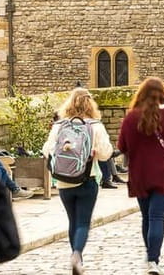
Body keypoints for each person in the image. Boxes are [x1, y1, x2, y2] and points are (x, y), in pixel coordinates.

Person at [118, 77, 164, 275]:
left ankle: (150, 255)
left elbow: (122, 146)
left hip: (140, 174)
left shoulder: (132, 117)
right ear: (163, 92)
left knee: (146, 218)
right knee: (157, 217)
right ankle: (153, 259)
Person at [43, 87, 113, 275]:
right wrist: (95, 152)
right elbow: (106, 154)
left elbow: (47, 150)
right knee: (83, 222)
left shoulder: (59, 125)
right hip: (87, 178)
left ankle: (77, 258)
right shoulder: (95, 125)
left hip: (64, 181)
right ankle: (77, 254)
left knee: (72, 220)